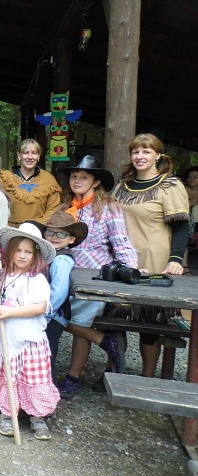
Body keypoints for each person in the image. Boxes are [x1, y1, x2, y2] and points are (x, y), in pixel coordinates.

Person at [55, 155, 137, 398]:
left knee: (79, 321)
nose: (77, 181)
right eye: (74, 176)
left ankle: (73, 376)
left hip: (94, 274)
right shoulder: (65, 207)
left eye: (83, 177)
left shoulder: (109, 208)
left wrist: (131, 270)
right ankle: (104, 340)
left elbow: (121, 242)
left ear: (96, 181)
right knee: (54, 315)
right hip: (66, 271)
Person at [111, 134, 191, 378]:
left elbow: (181, 227)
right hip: (123, 260)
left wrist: (175, 259)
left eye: (146, 152)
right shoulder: (122, 186)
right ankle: (115, 371)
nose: (140, 156)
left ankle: (147, 377)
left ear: (158, 155)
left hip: (155, 260)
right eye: (136, 152)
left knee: (149, 323)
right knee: (115, 319)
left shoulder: (170, 185)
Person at [0, 223, 60, 440]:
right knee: (9, 378)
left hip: (31, 341)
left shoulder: (37, 279)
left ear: (36, 255)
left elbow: (40, 307)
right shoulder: (3, 276)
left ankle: (37, 417)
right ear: (11, 252)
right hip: (8, 340)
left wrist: (10, 312)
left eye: (28, 252)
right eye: (19, 251)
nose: (23, 256)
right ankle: (7, 414)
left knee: (34, 380)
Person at [28, 211, 89, 383]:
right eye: (50, 232)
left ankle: (49, 391)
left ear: (71, 239)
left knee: (46, 356)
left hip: (51, 316)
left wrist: (44, 315)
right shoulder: (49, 256)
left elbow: (58, 292)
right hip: (45, 313)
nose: (54, 237)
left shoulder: (62, 260)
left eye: (61, 234)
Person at [0, 138, 61, 227]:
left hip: (38, 229)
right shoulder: (4, 178)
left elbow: (53, 209)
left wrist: (35, 226)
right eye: (26, 153)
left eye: (34, 153)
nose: (30, 157)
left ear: (38, 157)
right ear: (19, 156)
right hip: (9, 230)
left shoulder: (48, 180)